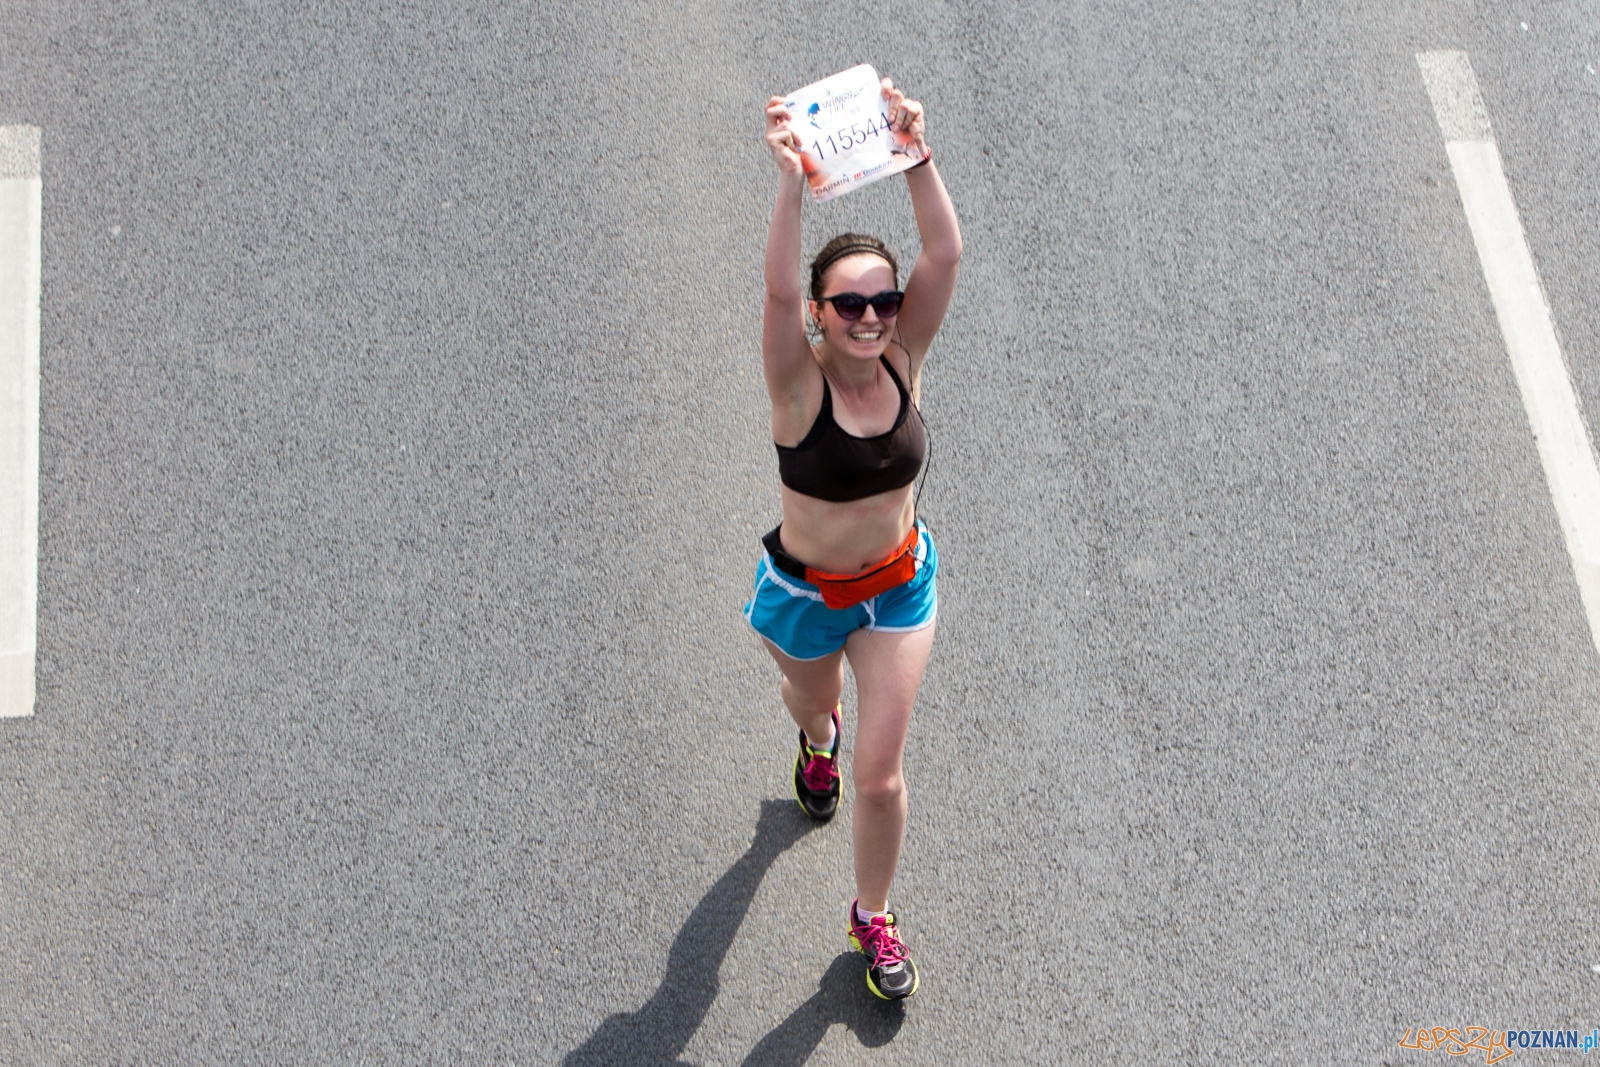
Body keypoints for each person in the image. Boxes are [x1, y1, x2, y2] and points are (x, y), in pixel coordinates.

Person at [746, 76, 960, 1001]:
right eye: (850, 305)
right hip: (807, 596)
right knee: (814, 704)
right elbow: (776, 286)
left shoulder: (905, 358)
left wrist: (916, 153)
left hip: (899, 588)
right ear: (818, 315)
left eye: (884, 300)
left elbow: (945, 251)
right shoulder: (798, 387)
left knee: (880, 779)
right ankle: (815, 738)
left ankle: (873, 914)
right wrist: (790, 180)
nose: (871, 317)